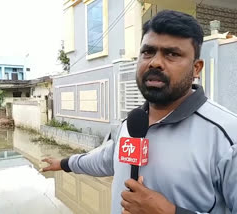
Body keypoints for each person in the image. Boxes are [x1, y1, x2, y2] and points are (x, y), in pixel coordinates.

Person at [42, 10, 237, 214]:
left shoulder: (228, 136)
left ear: (196, 68)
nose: (155, 62)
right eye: (148, 52)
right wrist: (63, 163)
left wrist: (171, 212)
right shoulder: (133, 124)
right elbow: (106, 160)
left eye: (172, 54)